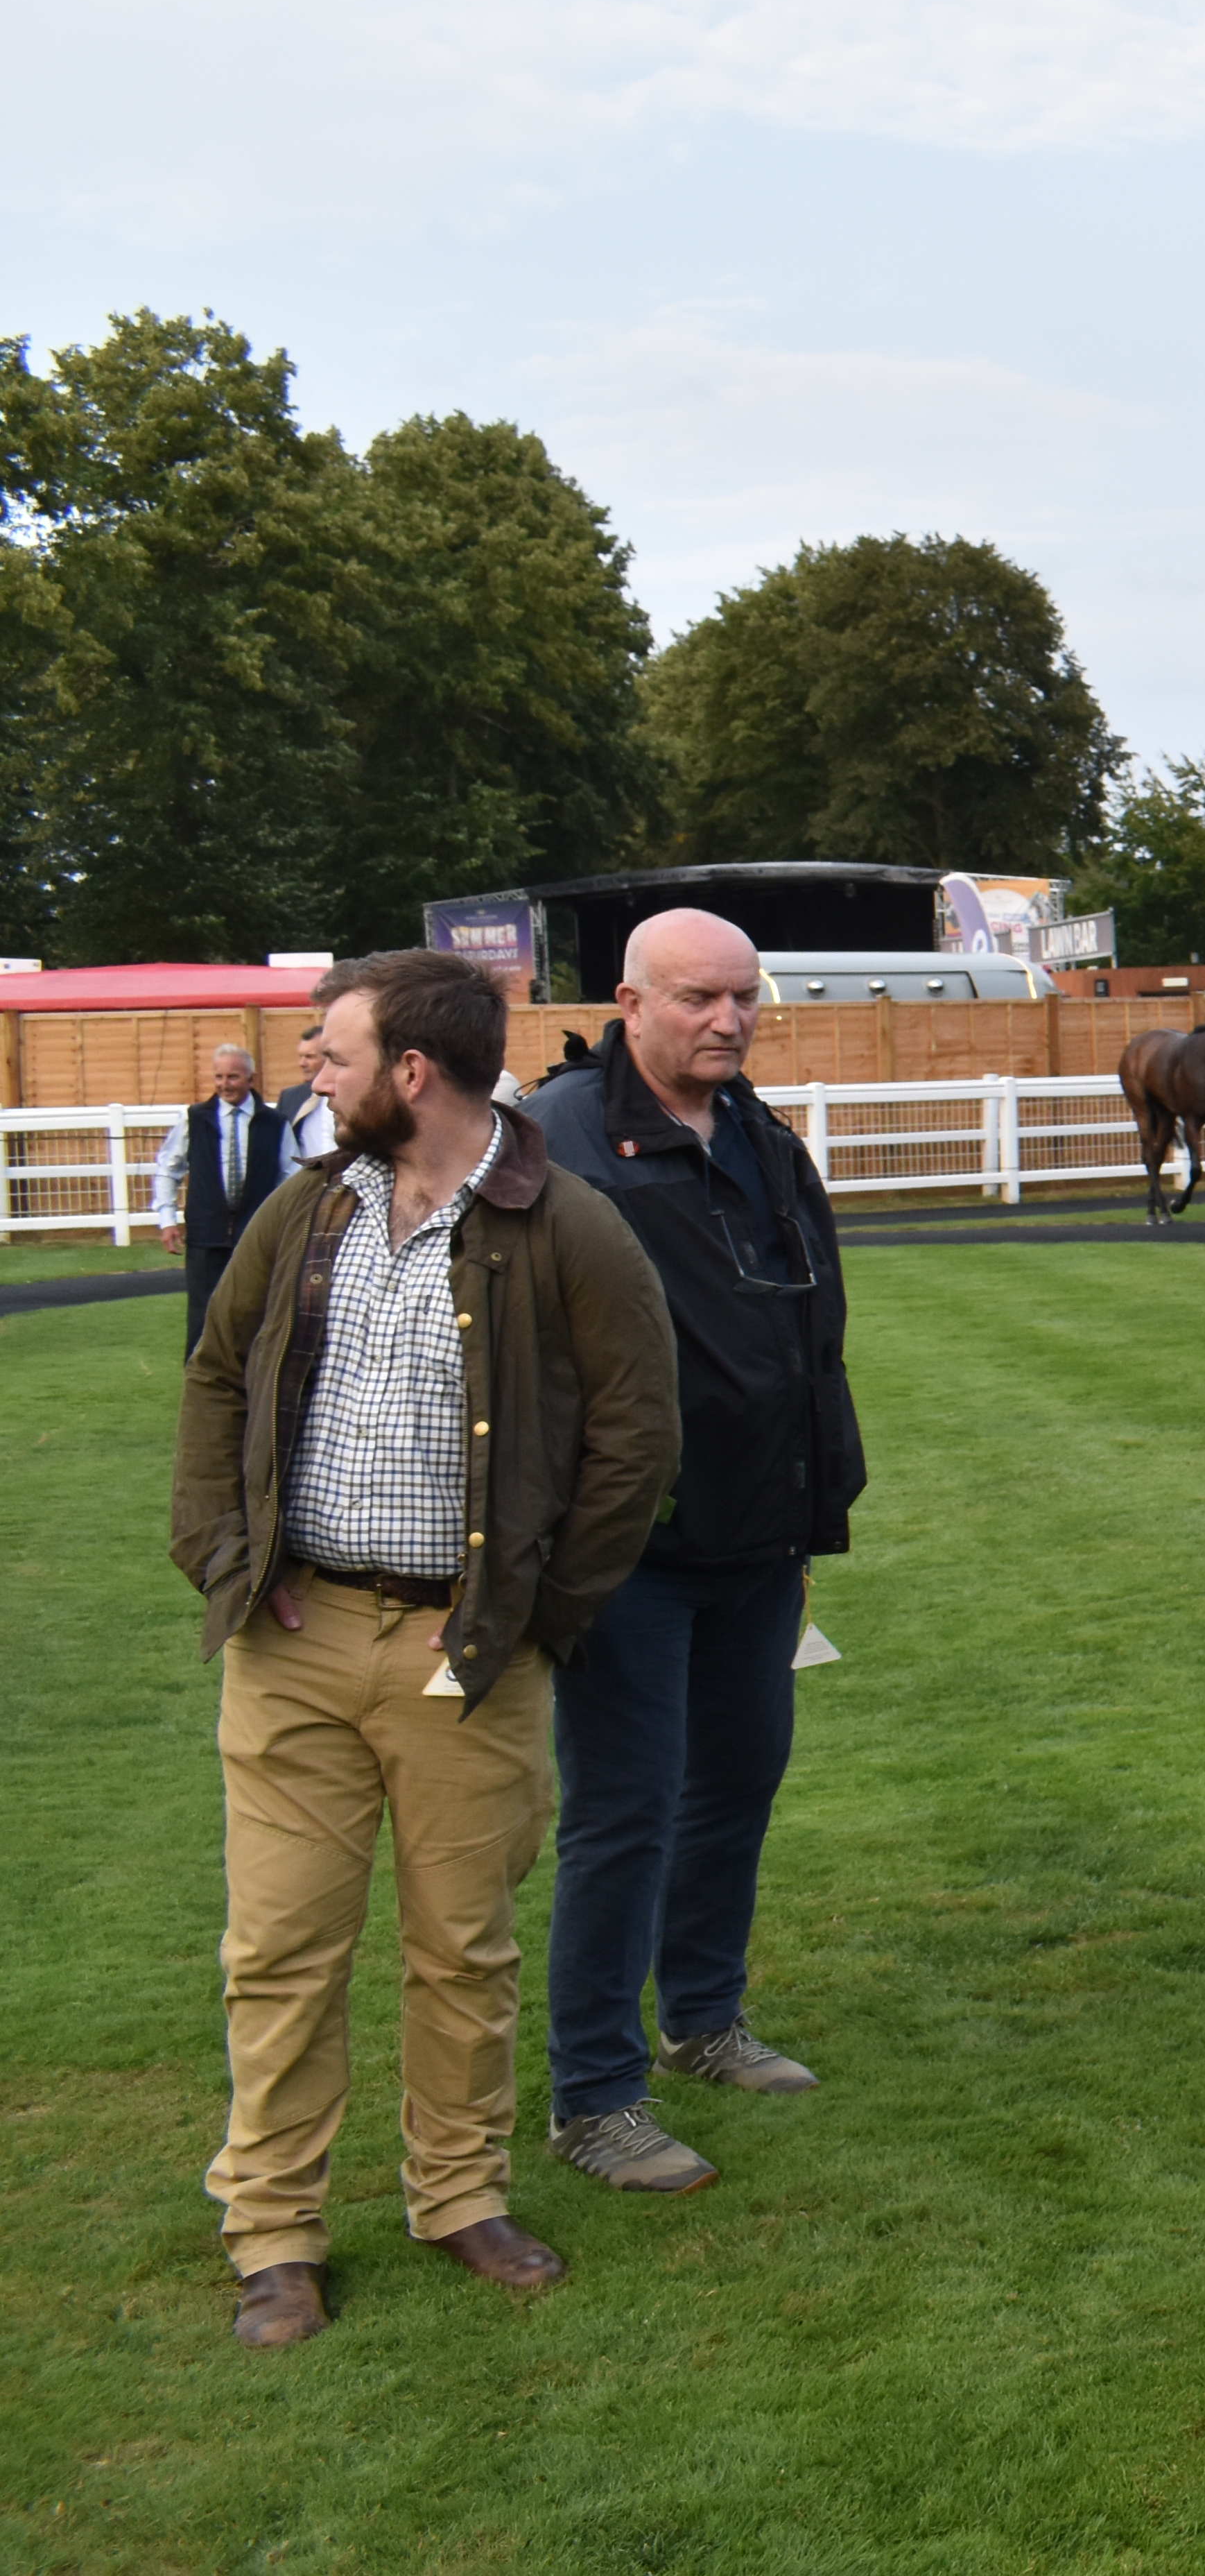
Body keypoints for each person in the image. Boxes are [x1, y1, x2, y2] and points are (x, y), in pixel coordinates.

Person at [166, 950, 680, 2349]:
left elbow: (638, 1437)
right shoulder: (303, 1211)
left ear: (411, 1073)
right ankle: (273, 2229)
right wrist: (224, 1555)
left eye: (330, 1056)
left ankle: (459, 2195)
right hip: (292, 1640)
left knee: (462, 1946)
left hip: (468, 1657)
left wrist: (533, 1616)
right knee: (279, 1946)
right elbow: (218, 1375)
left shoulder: (567, 1226)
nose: (308, 1078)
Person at [532, 911, 869, 2195]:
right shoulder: (559, 1137)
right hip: (629, 1546)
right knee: (623, 1811)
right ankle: (595, 2094)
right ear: (629, 1000)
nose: (727, 1021)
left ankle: (704, 2020)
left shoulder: (760, 1132)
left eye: (744, 998)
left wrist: (809, 1501)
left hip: (759, 1530)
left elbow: (806, 1329)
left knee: (739, 1779)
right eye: (697, 1000)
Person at [153, 1043, 288, 1351]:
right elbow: (168, 1169)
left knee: (255, 1318)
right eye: (219, 1077)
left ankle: (252, 1391)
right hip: (205, 1237)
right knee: (203, 1321)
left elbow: (290, 1180)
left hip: (256, 1238)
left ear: (251, 1079)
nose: (225, 1084)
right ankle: (201, 1393)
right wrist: (167, 1220)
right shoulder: (195, 1119)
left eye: (233, 1077)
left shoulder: (275, 1124)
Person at [276, 1023, 336, 1163]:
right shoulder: (290, 1098)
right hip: (310, 1182)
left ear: (329, 1058)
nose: (302, 1063)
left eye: (309, 1057)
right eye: (301, 1056)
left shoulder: (351, 1094)